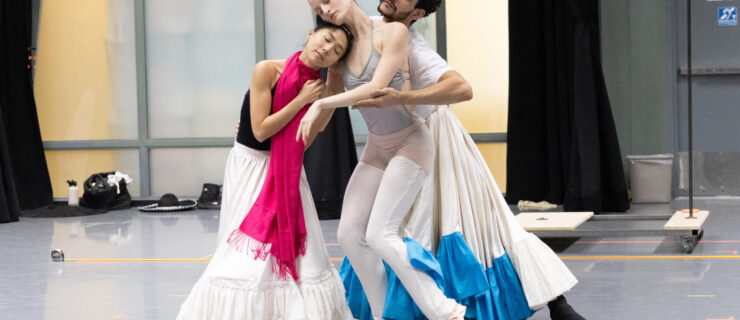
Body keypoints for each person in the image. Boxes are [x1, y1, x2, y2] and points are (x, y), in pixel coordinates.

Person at [352, 1, 586, 319]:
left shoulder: (412, 43)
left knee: (465, 222)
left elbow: (461, 87)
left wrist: (402, 97)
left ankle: (553, 301)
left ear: (416, 14)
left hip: (431, 138)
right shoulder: (366, 26)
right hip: (391, 142)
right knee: (399, 226)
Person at [301, 0, 467, 319]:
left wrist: (319, 106)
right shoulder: (338, 55)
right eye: (318, 7)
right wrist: (283, 142)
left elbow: (376, 89)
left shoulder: (392, 32)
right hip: (377, 149)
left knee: (381, 234)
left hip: (411, 143)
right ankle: (382, 315)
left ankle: (448, 313)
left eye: (327, 0)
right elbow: (325, 113)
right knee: (349, 234)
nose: (324, 9)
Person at [176, 23, 353, 320]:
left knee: (304, 258)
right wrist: (301, 101)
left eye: (337, 50)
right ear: (311, 34)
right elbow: (260, 131)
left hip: (288, 169)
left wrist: (320, 100)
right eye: (327, 38)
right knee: (246, 253)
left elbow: (305, 141)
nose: (327, 49)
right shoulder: (267, 70)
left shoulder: (321, 89)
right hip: (251, 165)